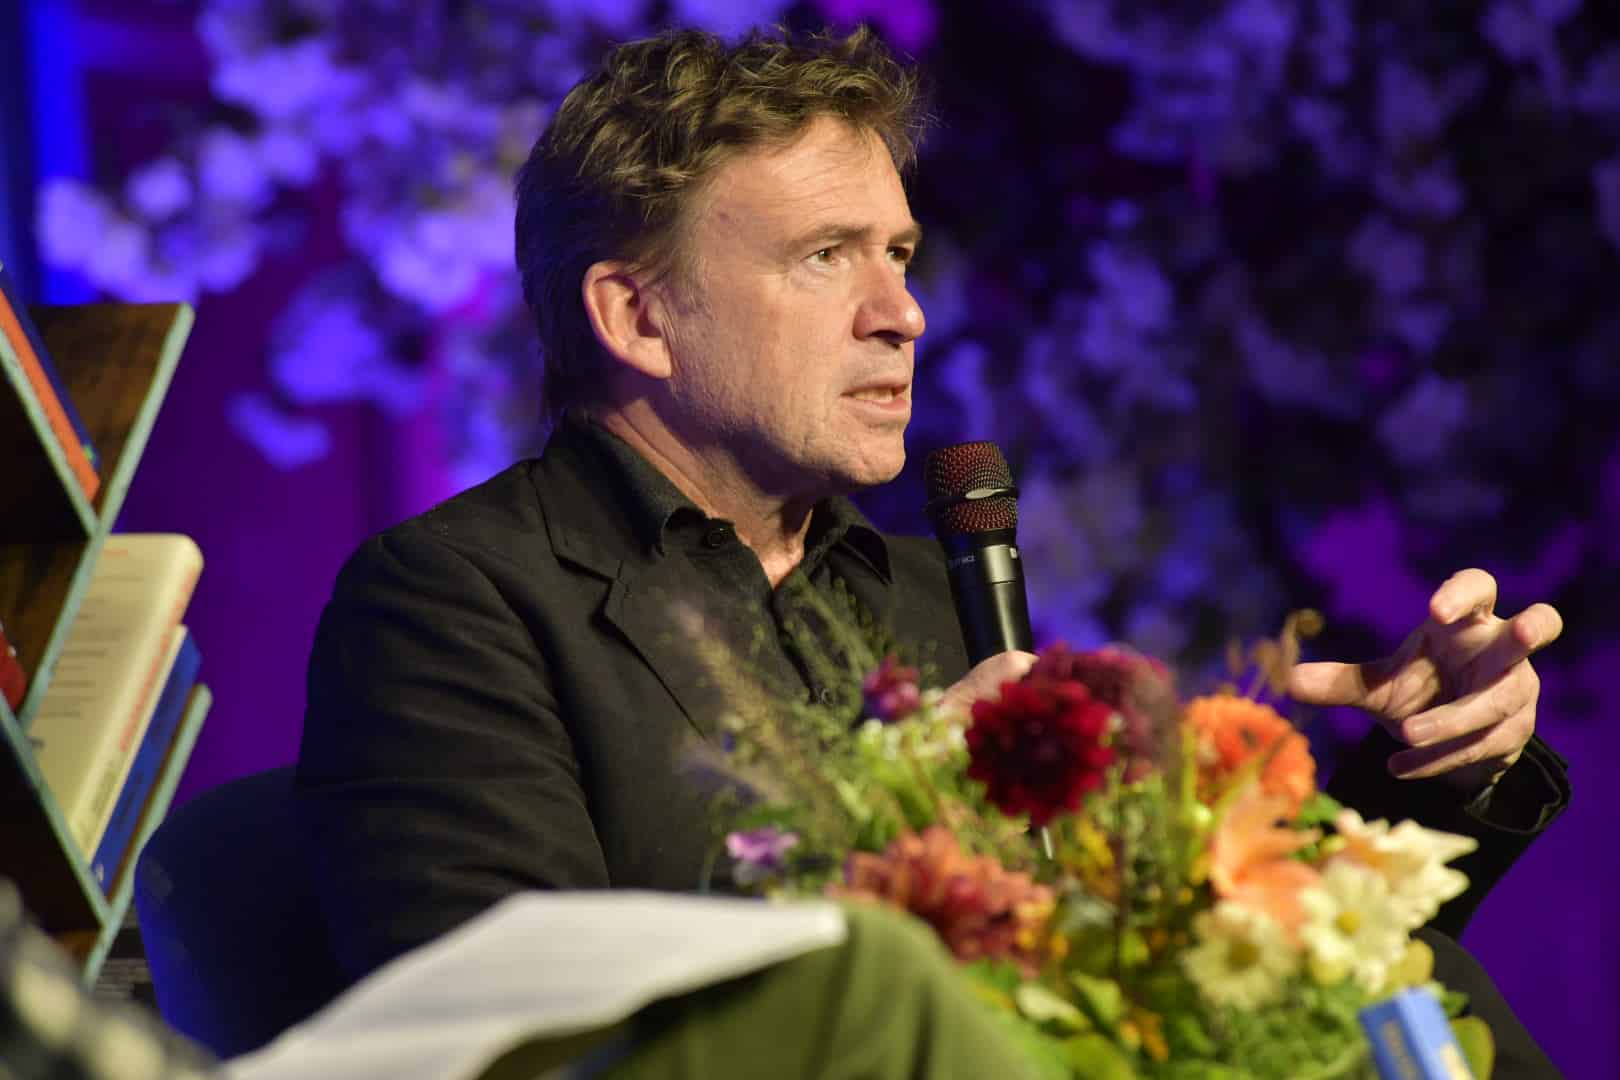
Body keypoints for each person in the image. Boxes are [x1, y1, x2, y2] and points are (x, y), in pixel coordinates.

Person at [294, 24, 1567, 1072]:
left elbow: (1176, 957)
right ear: (636, 316)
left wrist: (1432, 773)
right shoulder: (455, 602)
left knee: (1421, 985)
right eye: (825, 257)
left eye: (899, 254)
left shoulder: (938, 593)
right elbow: (512, 1031)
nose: (901, 312)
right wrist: (890, 821)